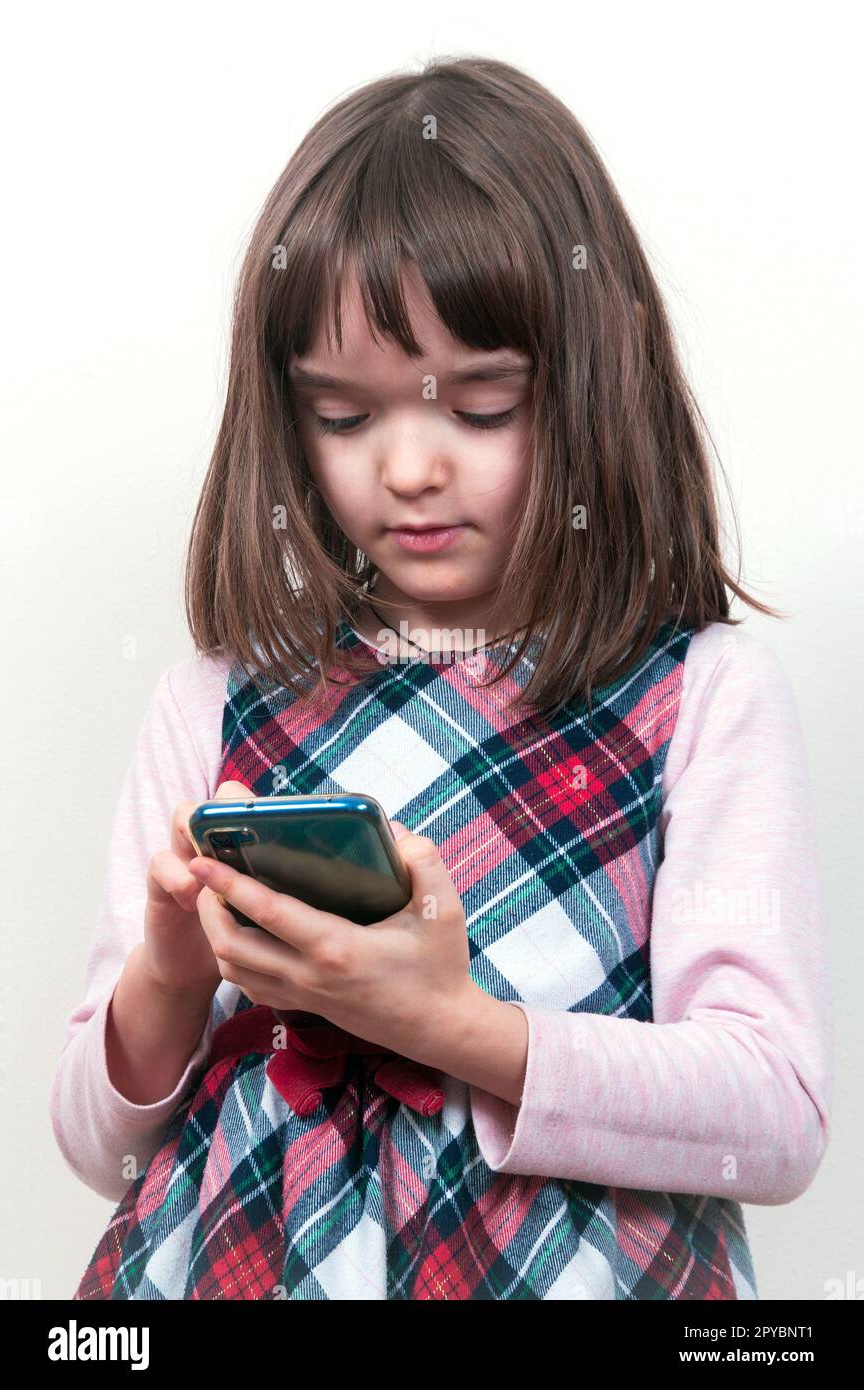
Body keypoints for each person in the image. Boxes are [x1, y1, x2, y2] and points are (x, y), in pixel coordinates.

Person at [52, 55, 832, 1300]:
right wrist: (168, 973)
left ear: (592, 373)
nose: (407, 467)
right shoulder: (215, 703)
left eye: (476, 404)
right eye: (346, 417)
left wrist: (447, 1024)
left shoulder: (698, 695)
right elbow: (102, 1150)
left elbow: (772, 1118)